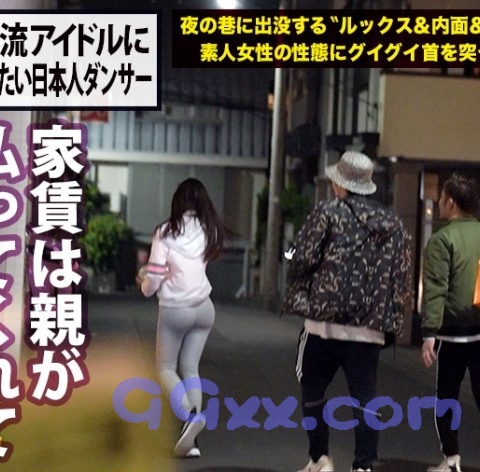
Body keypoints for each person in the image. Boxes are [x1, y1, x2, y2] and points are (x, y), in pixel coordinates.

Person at [287, 151, 412, 472]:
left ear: (340, 185)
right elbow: (401, 275)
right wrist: (393, 320)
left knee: (312, 386)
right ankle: (364, 465)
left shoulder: (327, 213)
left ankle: (320, 459)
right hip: (369, 327)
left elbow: (302, 259)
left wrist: (295, 265)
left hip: (324, 324)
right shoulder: (393, 223)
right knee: (365, 396)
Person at [137, 178, 226, 458]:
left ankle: (190, 415)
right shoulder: (209, 229)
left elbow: (153, 279)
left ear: (177, 201)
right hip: (204, 308)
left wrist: (144, 283)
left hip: (176, 310)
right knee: (190, 369)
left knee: (165, 368)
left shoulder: (165, 232)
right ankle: (192, 443)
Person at [421, 173, 480, 472]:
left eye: (442, 198)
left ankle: (452, 458)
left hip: (453, 334)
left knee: (447, 398)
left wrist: (429, 333)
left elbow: (436, 289)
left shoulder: (443, 239)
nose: (440, 202)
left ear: (451, 202)